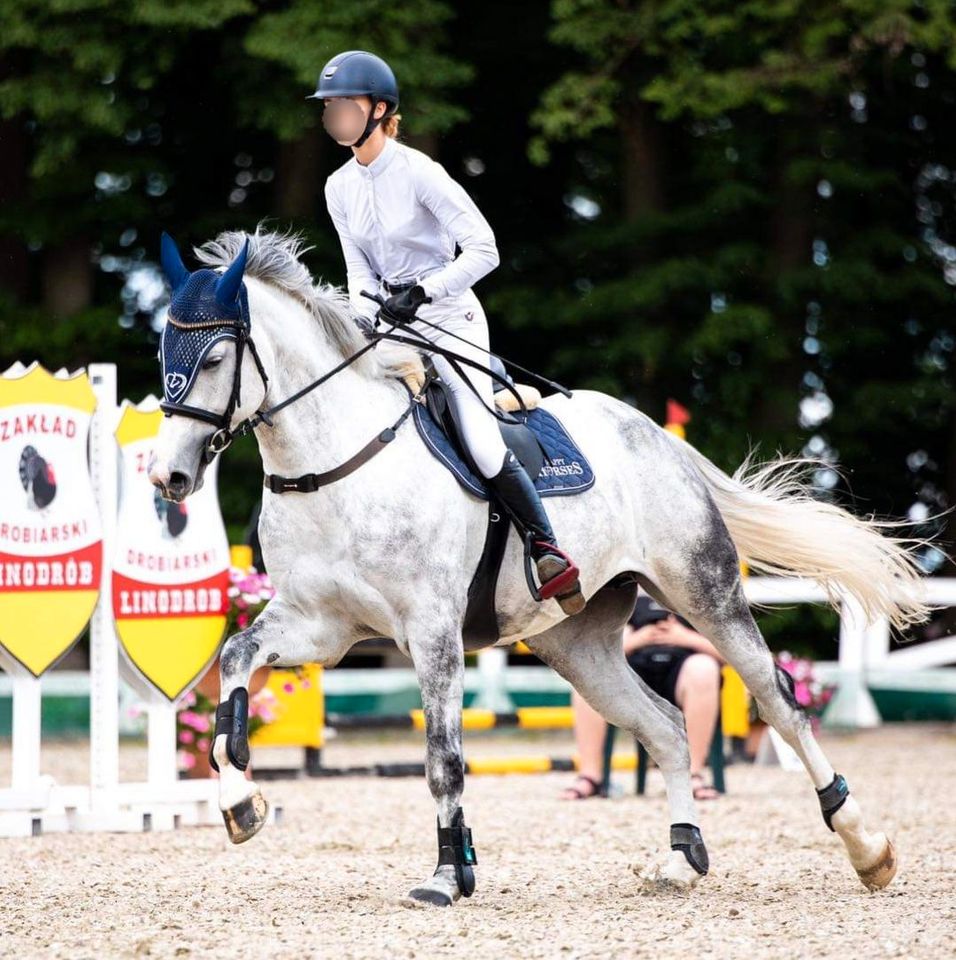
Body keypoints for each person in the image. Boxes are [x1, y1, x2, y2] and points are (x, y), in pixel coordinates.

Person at [312, 49, 583, 614]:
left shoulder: (420, 173)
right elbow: (358, 271)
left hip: (449, 319)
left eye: (344, 105)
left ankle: (544, 548)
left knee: (481, 441)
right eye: (328, 107)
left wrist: (426, 291)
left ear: (379, 109)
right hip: (389, 324)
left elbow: (484, 249)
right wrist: (369, 312)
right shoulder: (338, 187)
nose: (333, 115)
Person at [561, 596, 723, 800]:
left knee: (704, 668)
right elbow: (590, 653)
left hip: (682, 674)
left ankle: (693, 775)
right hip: (632, 674)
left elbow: (731, 655)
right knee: (589, 677)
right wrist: (635, 640)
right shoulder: (617, 586)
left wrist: (684, 637)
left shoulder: (699, 589)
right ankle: (590, 776)